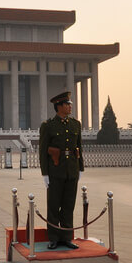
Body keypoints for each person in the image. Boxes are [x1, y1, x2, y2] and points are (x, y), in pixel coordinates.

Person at [38, 91, 84, 249]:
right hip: (55, 170)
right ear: (59, 107)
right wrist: (45, 173)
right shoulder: (49, 126)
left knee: (68, 204)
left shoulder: (75, 124)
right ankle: (53, 237)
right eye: (67, 104)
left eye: (70, 104)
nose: (70, 107)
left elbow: (79, 147)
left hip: (71, 169)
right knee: (53, 205)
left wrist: (80, 168)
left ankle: (66, 236)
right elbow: (43, 151)